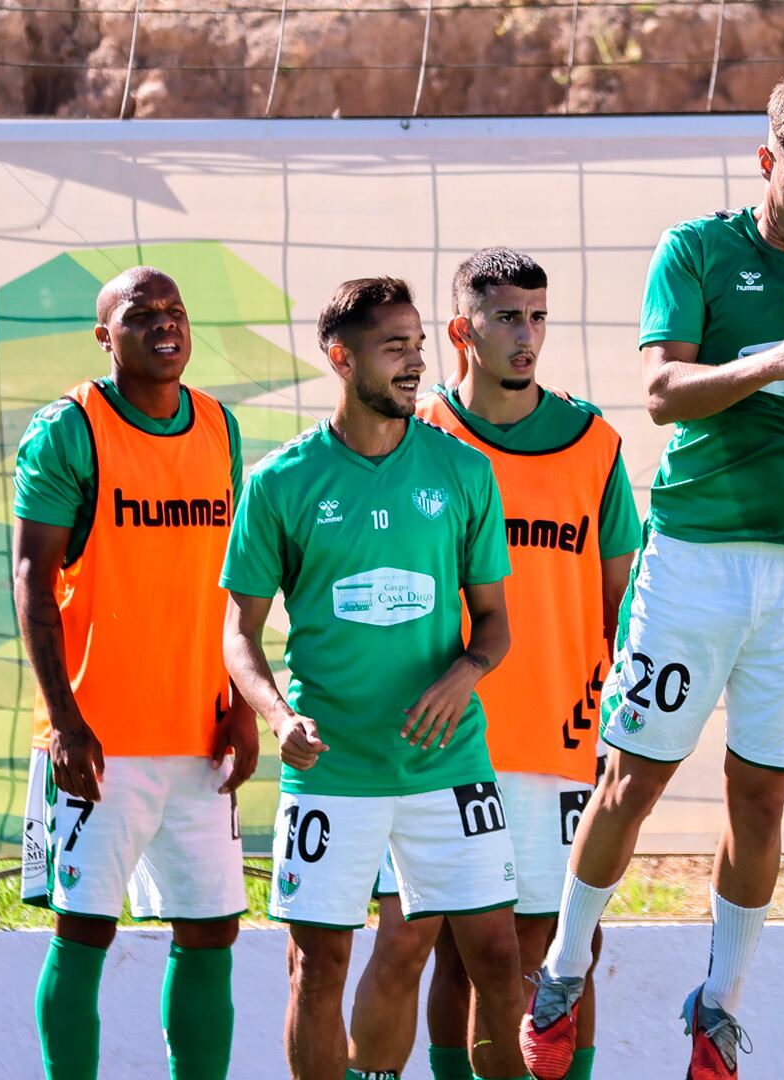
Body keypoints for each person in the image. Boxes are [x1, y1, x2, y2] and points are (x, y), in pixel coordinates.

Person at [521, 74, 784, 1080]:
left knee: (762, 803)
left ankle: (719, 1008)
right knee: (632, 780)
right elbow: (663, 392)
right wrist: (767, 362)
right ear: (767, 163)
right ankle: (563, 966)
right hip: (696, 561)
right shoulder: (698, 250)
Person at [220, 277, 531, 1080]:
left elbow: (494, 625)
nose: (415, 363)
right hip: (335, 771)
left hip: (448, 763)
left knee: (497, 958)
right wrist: (278, 718)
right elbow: (239, 636)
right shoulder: (280, 482)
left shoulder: (462, 472)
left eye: (419, 346)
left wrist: (465, 673)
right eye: (395, 347)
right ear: (340, 358)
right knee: (316, 966)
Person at [348, 249, 640, 1080]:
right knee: (421, 941)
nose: (528, 336)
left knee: (550, 952)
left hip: (558, 738)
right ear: (459, 331)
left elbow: (623, 602)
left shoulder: (594, 443)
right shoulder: (416, 440)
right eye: (507, 316)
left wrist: (623, 729)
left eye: (538, 316)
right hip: (433, 743)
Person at [13, 266, 255, 1080]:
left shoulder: (220, 427)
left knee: (211, 928)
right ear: (103, 335)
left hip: (199, 735)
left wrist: (243, 702)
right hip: (98, 742)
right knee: (85, 931)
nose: (164, 325)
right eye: (140, 313)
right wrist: (66, 721)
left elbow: (234, 580)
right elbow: (31, 581)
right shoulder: (69, 430)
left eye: (176, 311)